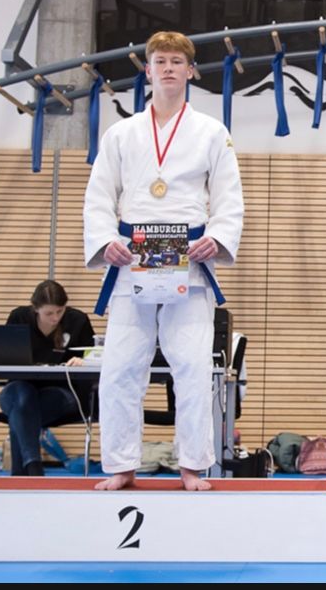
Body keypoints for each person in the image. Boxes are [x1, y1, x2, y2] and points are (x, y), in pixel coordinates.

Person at [84, 30, 244, 491]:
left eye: (177, 62)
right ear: (148, 70)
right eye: (160, 61)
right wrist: (105, 241)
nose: (168, 68)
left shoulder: (212, 132)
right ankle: (121, 465)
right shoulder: (120, 134)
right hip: (131, 259)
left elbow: (229, 196)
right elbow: (99, 196)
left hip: (187, 261)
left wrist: (217, 237)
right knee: (120, 368)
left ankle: (192, 465)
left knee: (192, 367)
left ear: (191, 71)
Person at [0, 280, 95, 476]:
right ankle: (33, 467)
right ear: (35, 309)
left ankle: (28, 469)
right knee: (23, 397)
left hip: (61, 393)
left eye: (60, 311)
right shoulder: (19, 317)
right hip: (18, 389)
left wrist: (84, 360)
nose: (55, 318)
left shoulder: (78, 320)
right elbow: (5, 358)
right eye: (49, 313)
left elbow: (93, 355)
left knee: (21, 411)